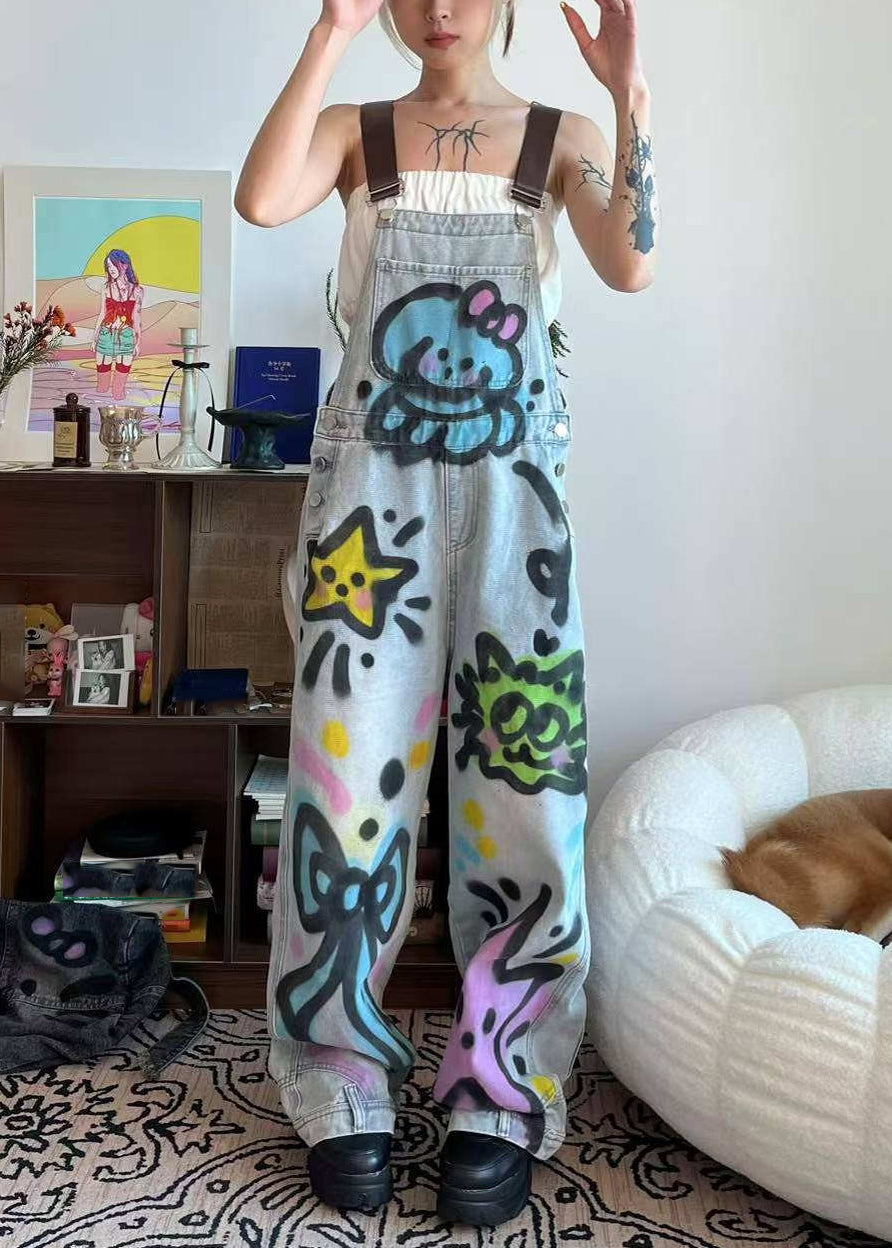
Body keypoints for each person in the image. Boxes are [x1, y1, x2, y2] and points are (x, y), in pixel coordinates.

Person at [235, 0, 658, 1227]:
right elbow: (261, 201)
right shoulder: (352, 132)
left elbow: (631, 262)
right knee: (343, 794)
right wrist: (326, 33)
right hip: (368, 525)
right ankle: (339, 1082)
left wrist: (630, 100)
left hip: (518, 520)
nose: (439, 9)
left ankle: (502, 1091)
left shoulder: (561, 138)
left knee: (526, 794)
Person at [91, 249, 143, 402]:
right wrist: (94, 337)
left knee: (118, 393)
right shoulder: (106, 287)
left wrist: (137, 342)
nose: (111, 269)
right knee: (102, 387)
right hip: (106, 334)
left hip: (126, 336)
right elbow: (102, 313)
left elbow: (136, 318)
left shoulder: (137, 291)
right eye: (108, 266)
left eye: (113, 264)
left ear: (125, 265)